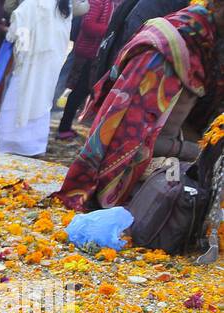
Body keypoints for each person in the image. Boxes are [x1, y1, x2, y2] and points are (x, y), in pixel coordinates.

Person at [55, 2, 224, 209]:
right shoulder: (170, 49)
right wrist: (196, 151)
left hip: (175, 147)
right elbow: (132, 141)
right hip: (133, 171)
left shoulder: (209, 44)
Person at [0, 0, 72, 155]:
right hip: (50, 64)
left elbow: (18, 30)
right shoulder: (64, 6)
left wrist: (22, 54)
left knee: (20, 99)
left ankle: (12, 141)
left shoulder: (33, 3)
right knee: (41, 101)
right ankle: (35, 144)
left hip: (30, 63)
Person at [58, 0, 116, 138]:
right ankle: (63, 128)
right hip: (88, 53)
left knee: (87, 91)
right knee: (79, 90)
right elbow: (88, 25)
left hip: (98, 54)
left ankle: (67, 126)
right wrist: (111, 30)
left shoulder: (113, 3)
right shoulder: (98, 2)